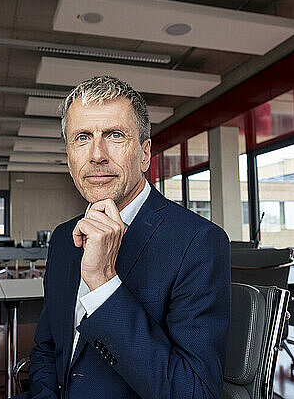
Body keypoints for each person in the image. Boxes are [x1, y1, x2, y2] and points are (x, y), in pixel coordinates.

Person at [15, 75, 230, 399]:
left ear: (145, 154)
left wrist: (103, 282)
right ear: (70, 158)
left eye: (115, 135)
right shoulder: (64, 238)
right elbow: (48, 348)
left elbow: (195, 392)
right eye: (82, 138)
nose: (97, 154)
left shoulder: (197, 242)